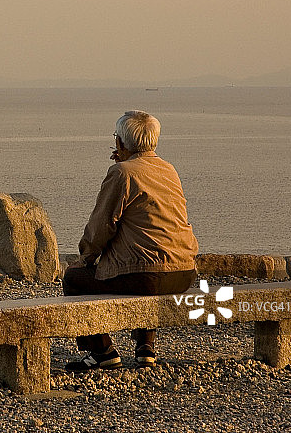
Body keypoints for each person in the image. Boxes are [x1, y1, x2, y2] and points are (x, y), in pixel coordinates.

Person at [64, 110, 198, 371]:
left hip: (148, 277)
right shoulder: (169, 170)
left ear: (120, 143)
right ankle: (145, 348)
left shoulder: (122, 173)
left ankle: (101, 350)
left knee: (75, 279)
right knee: (145, 254)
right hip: (184, 272)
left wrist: (86, 258)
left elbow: (101, 226)